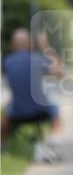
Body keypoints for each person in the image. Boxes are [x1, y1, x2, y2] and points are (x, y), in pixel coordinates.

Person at [2, 28, 63, 161]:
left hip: (17, 111)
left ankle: (3, 147)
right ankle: (54, 142)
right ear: (30, 44)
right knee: (55, 108)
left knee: (6, 113)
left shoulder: (7, 62)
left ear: (13, 45)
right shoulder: (37, 59)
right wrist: (45, 46)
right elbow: (59, 72)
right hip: (42, 109)